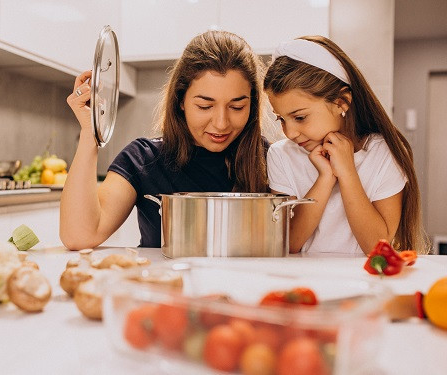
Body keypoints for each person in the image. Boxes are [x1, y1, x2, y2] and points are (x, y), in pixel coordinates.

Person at [60, 30, 270, 250]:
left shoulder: (270, 159)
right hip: (164, 284)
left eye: (237, 107)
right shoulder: (143, 158)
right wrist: (89, 131)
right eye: (205, 106)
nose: (221, 123)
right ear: (181, 100)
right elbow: (79, 237)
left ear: (252, 105)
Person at [264, 35, 427, 255]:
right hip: (303, 283)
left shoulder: (384, 153)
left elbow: (377, 249)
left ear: (342, 102)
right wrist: (325, 178)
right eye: (281, 119)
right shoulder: (281, 155)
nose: (289, 132)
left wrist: (347, 172)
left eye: (300, 117)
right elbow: (288, 243)